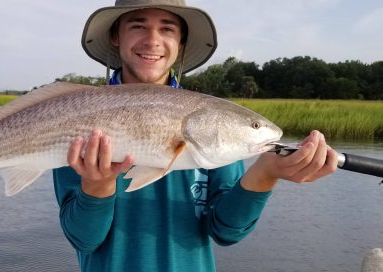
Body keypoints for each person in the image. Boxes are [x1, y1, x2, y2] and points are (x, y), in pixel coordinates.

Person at [53, 1, 338, 271]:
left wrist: (264, 174)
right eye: (138, 25)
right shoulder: (78, 118)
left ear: (181, 42)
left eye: (167, 28)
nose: (153, 40)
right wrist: (96, 187)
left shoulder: (212, 123)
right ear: (116, 35)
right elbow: (83, 239)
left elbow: (225, 231)